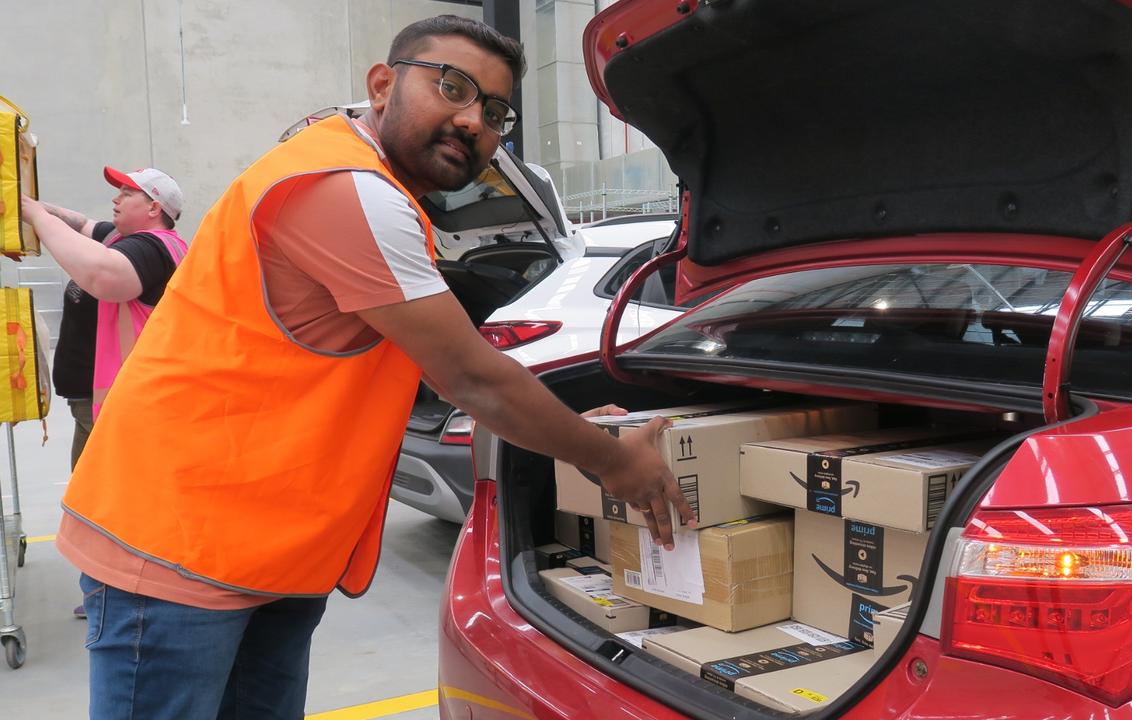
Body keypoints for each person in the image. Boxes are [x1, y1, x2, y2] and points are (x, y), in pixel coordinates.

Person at [54, 15, 694, 719]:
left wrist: (572, 428)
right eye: (451, 86)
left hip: (264, 546)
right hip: (177, 546)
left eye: (494, 110)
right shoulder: (347, 190)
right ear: (383, 84)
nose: (473, 119)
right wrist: (611, 461)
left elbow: (412, 360)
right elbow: (470, 377)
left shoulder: (362, 185)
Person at [20, 169, 188, 624]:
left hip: (127, 406)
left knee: (111, 502)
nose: (116, 198)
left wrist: (32, 212)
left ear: (154, 208)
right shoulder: (126, 238)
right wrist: (27, 203)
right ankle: (111, 588)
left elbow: (100, 275)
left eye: (127, 193)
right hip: (105, 404)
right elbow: (80, 224)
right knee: (100, 496)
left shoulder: (151, 249)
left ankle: (120, 594)